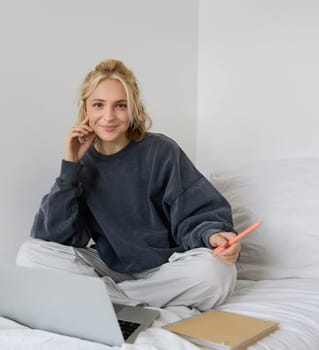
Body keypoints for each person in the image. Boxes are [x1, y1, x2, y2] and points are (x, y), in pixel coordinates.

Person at [15, 59, 240, 311]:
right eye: (98, 105)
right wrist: (70, 167)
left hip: (167, 268)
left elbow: (197, 210)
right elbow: (53, 237)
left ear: (133, 109)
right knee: (30, 254)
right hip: (111, 266)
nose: (109, 116)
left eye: (120, 106)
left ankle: (107, 301)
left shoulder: (161, 151)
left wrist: (211, 234)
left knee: (218, 272)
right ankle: (125, 302)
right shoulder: (82, 161)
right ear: (86, 110)